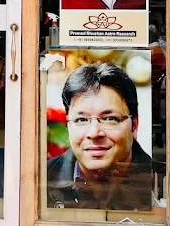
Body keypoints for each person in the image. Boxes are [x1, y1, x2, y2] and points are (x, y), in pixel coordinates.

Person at [47, 62, 153, 211]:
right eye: (81, 120)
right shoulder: (42, 178)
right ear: (68, 126)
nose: (94, 133)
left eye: (110, 119)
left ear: (134, 126)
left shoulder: (160, 180)